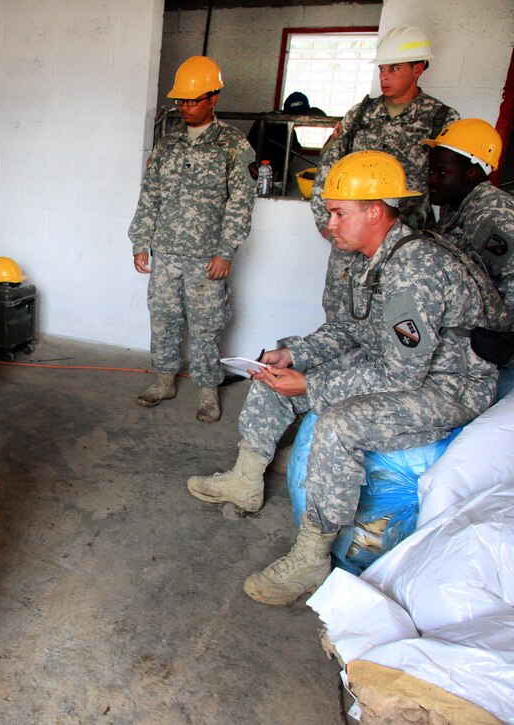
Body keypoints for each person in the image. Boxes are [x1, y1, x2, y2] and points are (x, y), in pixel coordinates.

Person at [186, 151, 500, 606]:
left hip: (446, 385)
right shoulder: (374, 256)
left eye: (338, 213)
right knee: (275, 372)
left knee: (338, 425)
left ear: (374, 212)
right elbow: (355, 328)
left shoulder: (413, 268)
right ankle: (246, 479)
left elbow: (402, 372)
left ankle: (312, 558)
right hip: (399, 364)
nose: (329, 224)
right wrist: (294, 354)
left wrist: (311, 387)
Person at [130, 55, 256, 422]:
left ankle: (207, 390)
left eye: (193, 100)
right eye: (180, 101)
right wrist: (140, 241)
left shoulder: (233, 146)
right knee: (164, 319)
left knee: (206, 325)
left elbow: (241, 204)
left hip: (206, 258)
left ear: (213, 99)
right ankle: (165, 379)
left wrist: (226, 251)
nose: (185, 107)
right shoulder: (168, 145)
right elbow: (149, 194)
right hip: (166, 253)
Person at [311, 25, 459, 321]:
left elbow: (452, 185)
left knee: (395, 317)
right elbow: (328, 167)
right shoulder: (360, 114)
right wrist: (325, 221)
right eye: (382, 68)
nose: (385, 76)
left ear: (418, 69)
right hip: (352, 239)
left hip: (406, 241)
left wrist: (443, 239)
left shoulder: (441, 118)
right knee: (340, 317)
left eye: (394, 68)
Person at [424, 118, 514, 316]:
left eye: (442, 172)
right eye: (431, 171)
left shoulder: (491, 214)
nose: (431, 180)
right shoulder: (456, 204)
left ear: (471, 174)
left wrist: (496, 343)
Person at [246, 91, 309, 185]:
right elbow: (292, 151)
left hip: (254, 170)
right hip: (264, 174)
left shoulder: (270, 118)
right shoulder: (281, 126)